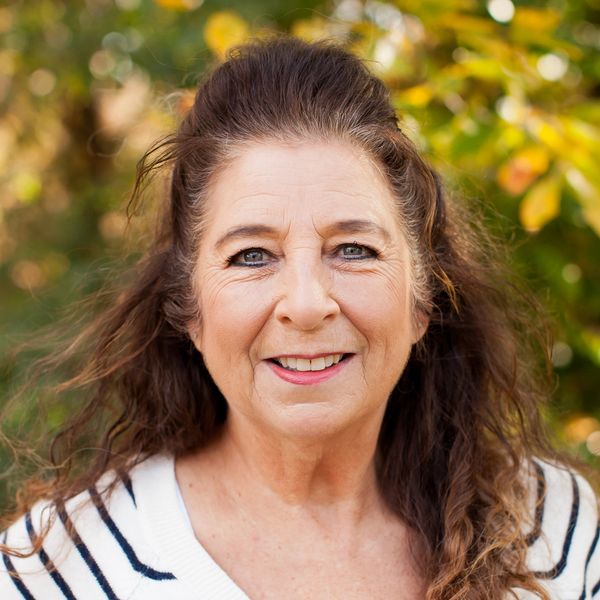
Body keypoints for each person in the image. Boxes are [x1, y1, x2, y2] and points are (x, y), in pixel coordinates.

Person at [0, 36, 598, 600]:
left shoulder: (553, 531)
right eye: (251, 256)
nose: (308, 305)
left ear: (424, 299)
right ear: (189, 308)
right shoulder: (58, 569)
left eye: (354, 250)